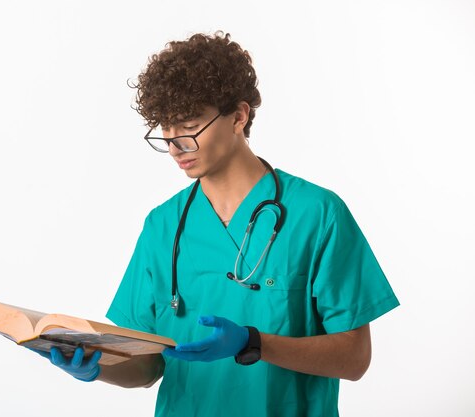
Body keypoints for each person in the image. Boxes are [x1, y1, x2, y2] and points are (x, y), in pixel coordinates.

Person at [36, 31, 399, 416]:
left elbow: (355, 359)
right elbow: (148, 367)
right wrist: (96, 367)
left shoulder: (318, 214)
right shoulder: (163, 226)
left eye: (188, 125)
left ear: (239, 117)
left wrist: (254, 342)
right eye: (165, 128)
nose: (175, 145)